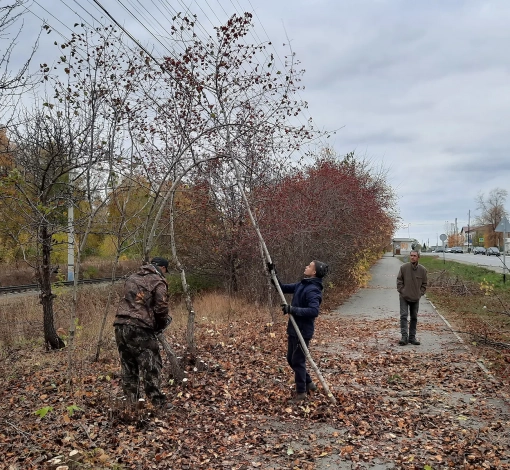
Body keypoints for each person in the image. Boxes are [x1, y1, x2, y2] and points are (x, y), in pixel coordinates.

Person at [114, 257, 172, 407]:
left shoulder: (132, 278)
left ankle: (131, 403)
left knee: (128, 366)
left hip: (120, 325)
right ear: (162, 268)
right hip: (140, 327)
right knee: (151, 364)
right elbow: (161, 307)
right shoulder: (159, 281)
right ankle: (157, 402)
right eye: (166, 270)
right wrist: (161, 324)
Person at [269, 259, 329, 402]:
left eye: (309, 266)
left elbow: (314, 311)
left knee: (298, 360)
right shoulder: (302, 284)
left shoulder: (313, 290)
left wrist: (292, 309)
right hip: (293, 329)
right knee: (291, 359)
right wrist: (273, 274)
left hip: (303, 331)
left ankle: (301, 393)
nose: (306, 266)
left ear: (314, 272)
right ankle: (309, 383)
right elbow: (281, 288)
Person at [396, 250, 427, 346]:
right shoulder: (404, 268)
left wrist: (419, 293)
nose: (412, 257)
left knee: (414, 317)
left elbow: (424, 284)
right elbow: (399, 281)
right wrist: (402, 291)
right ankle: (404, 337)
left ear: (418, 257)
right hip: (404, 297)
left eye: (414, 256)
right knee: (404, 316)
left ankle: (412, 338)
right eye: (411, 255)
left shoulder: (422, 270)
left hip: (415, 297)